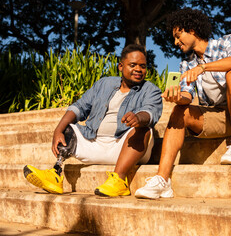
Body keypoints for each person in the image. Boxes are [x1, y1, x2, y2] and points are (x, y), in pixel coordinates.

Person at [134, 8, 231, 199]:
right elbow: (187, 96)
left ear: (191, 29)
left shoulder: (226, 42)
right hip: (221, 117)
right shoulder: (186, 63)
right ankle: (163, 180)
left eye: (178, 35)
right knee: (178, 111)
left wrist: (203, 68)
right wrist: (177, 98)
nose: (175, 42)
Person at [23, 44, 163, 197]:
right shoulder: (104, 84)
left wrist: (138, 118)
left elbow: (151, 111)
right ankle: (55, 174)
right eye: (133, 65)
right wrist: (58, 130)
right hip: (93, 142)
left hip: (126, 147)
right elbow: (80, 107)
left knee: (144, 128)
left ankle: (119, 180)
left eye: (142, 66)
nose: (138, 69)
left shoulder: (151, 90)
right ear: (121, 66)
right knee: (67, 126)